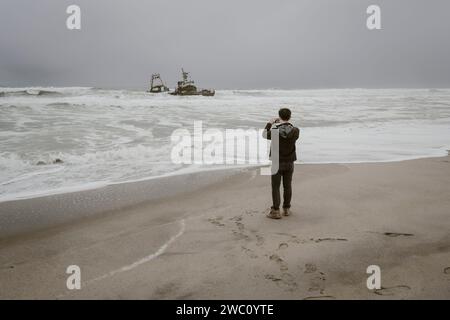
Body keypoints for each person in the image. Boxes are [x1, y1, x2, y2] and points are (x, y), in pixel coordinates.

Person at [262, 108, 300, 219]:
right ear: (290, 117)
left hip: (276, 162)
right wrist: (284, 124)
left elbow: (264, 134)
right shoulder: (296, 131)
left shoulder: (274, 131)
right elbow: (289, 130)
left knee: (276, 186)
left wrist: (270, 123)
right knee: (287, 186)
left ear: (279, 117)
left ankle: (276, 211)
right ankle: (287, 209)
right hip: (289, 162)